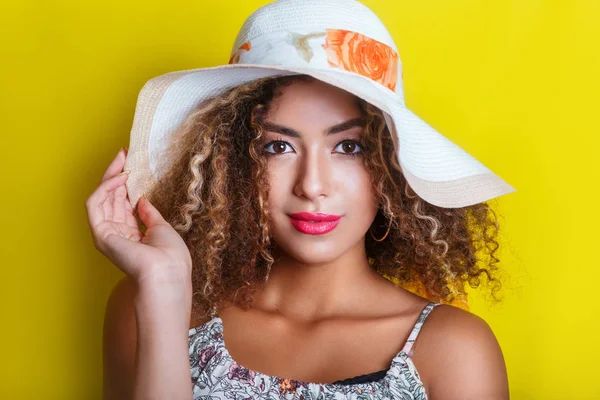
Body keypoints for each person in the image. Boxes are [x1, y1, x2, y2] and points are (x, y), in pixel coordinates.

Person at [85, 1, 514, 399]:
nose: (312, 185)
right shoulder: (150, 306)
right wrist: (161, 289)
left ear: (390, 166)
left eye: (349, 147)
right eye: (278, 147)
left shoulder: (453, 350)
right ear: (234, 164)